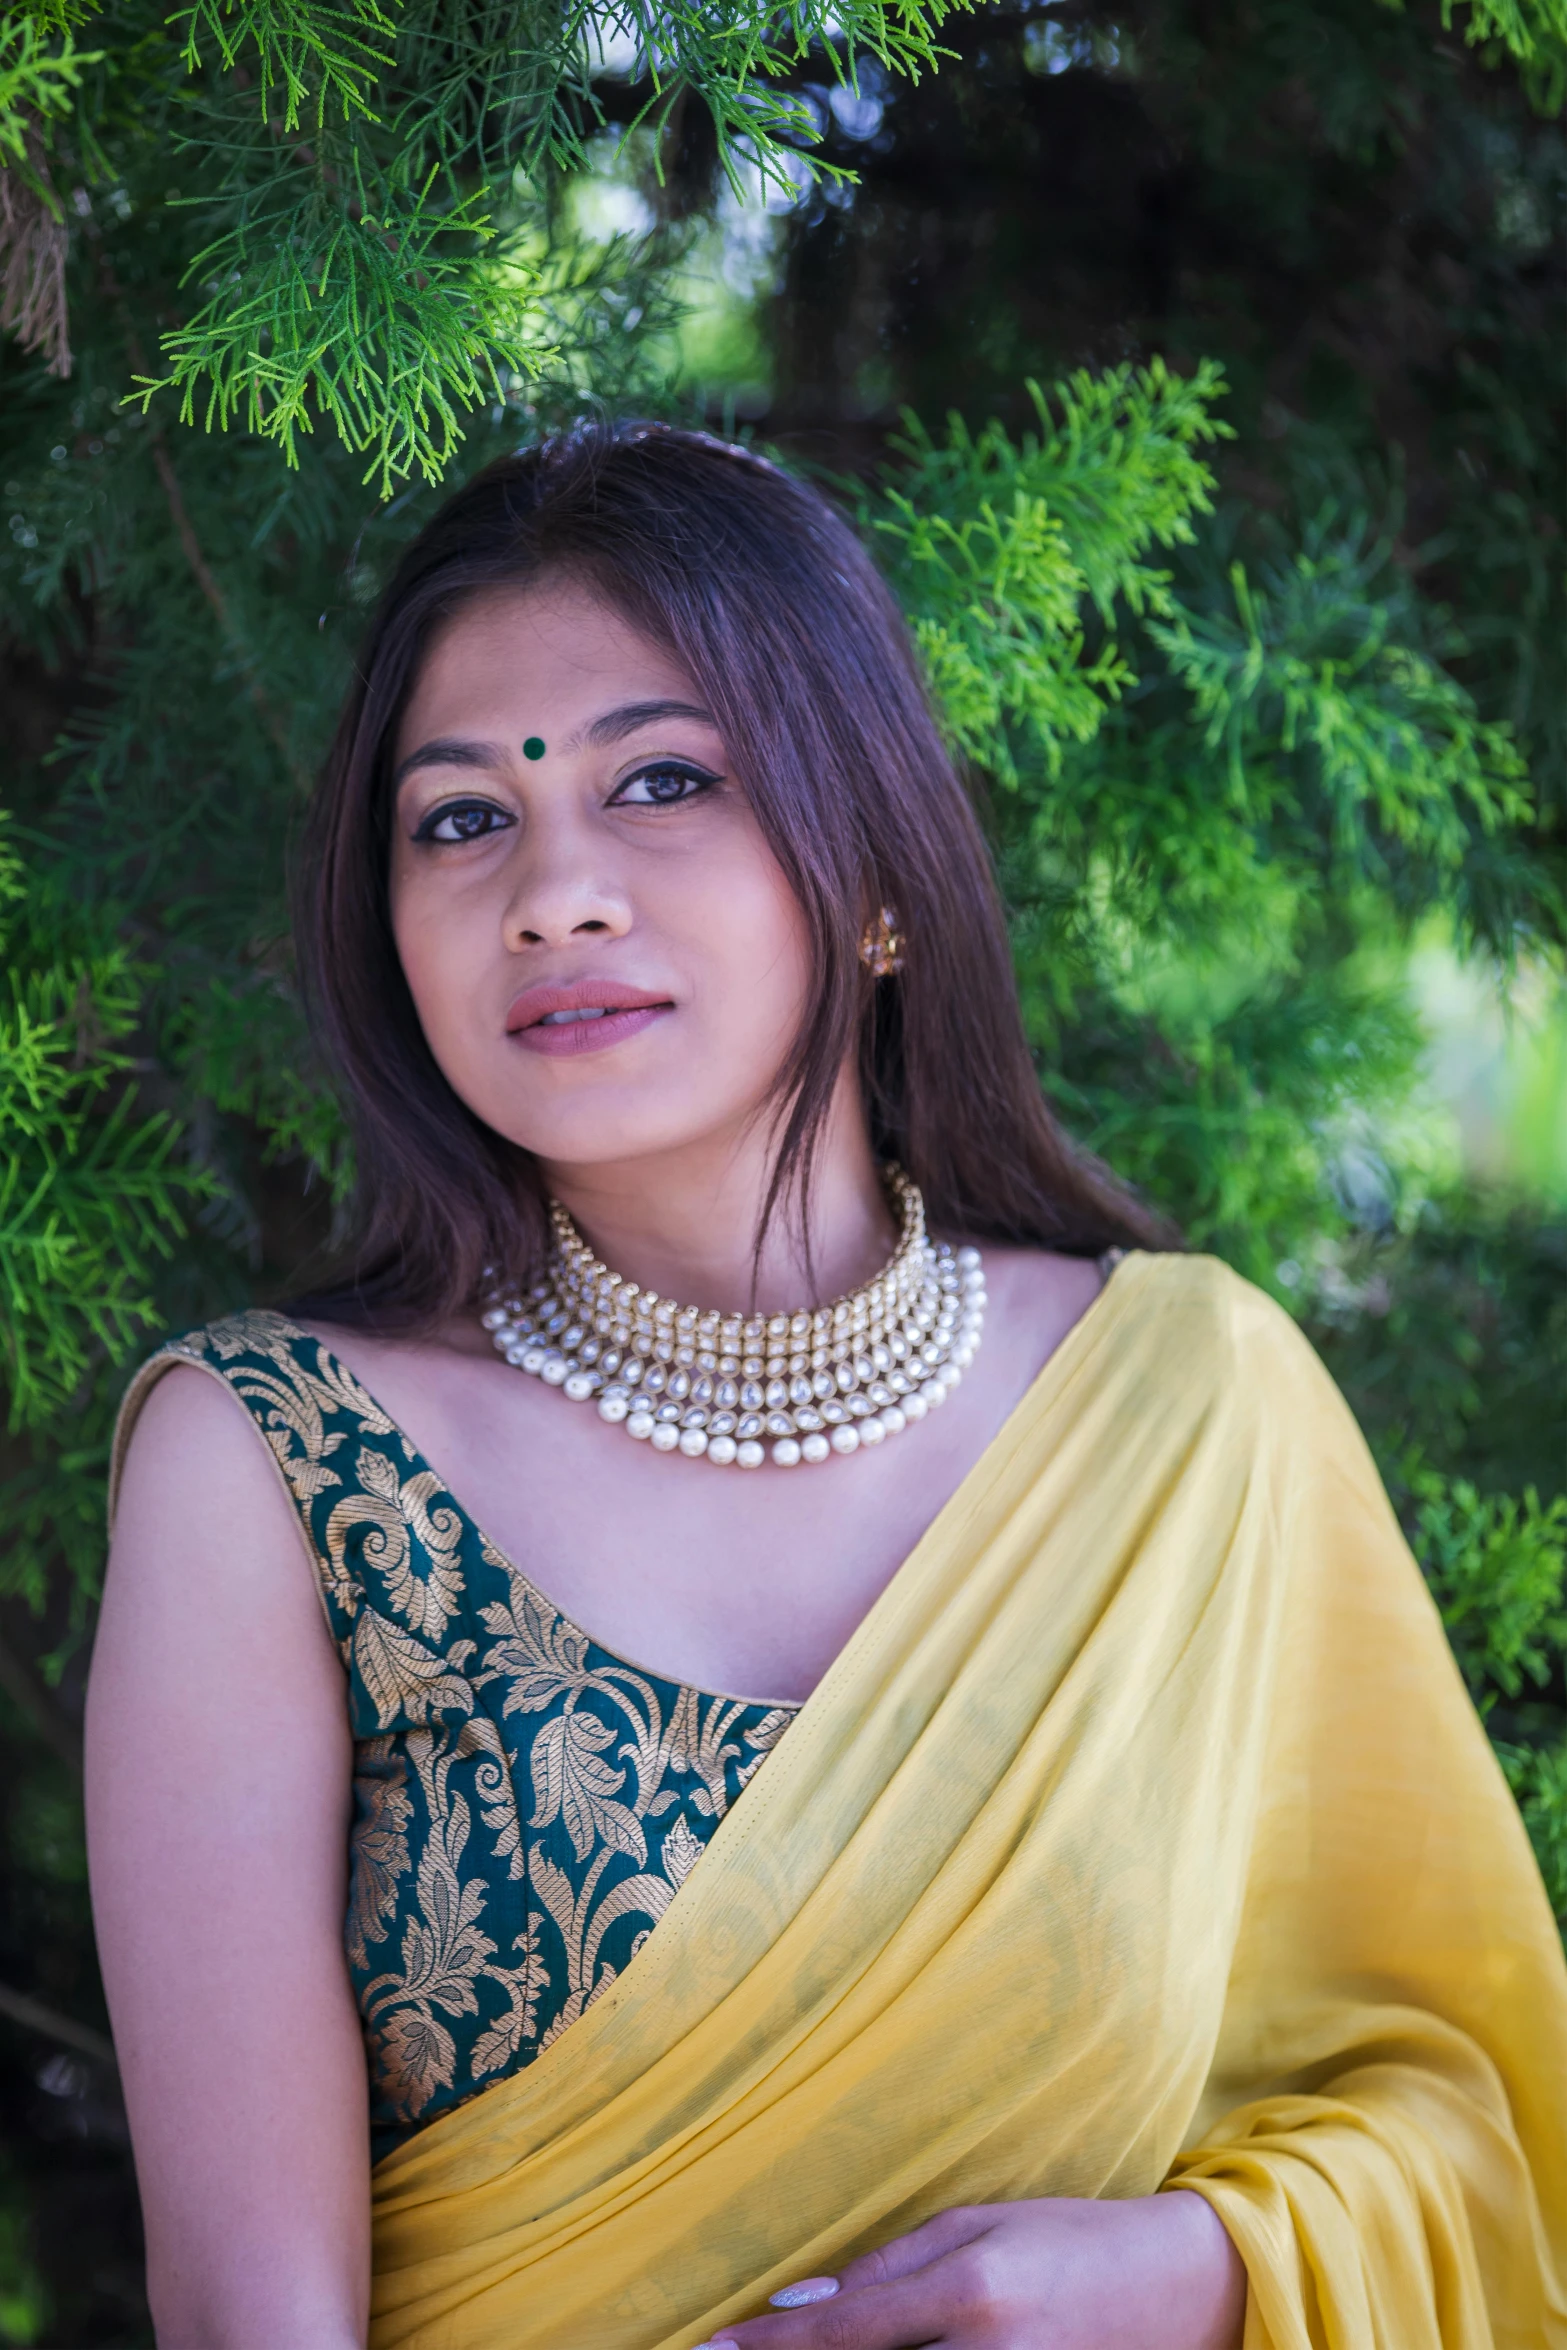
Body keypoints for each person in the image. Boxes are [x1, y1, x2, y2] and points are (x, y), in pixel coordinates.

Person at [86, 423, 1567, 2350]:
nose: (553, 892)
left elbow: (1483, 2127)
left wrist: (1194, 2275)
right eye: (461, 819)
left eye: (666, 782)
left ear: (876, 878)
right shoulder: (274, 1465)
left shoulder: (1188, 1410)